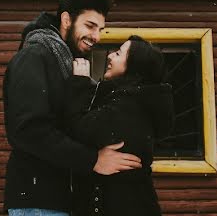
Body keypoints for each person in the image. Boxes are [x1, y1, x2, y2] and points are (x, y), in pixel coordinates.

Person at [3, 0, 143, 216]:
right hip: (38, 201)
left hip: (61, 199)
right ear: (67, 19)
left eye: (100, 29)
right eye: (89, 26)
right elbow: (28, 129)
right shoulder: (35, 56)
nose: (96, 36)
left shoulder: (67, 63)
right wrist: (92, 160)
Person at [66, 36, 174, 216]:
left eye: (118, 53)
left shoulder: (129, 106)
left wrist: (79, 84)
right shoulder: (134, 102)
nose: (110, 56)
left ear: (134, 66)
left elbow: (78, 130)